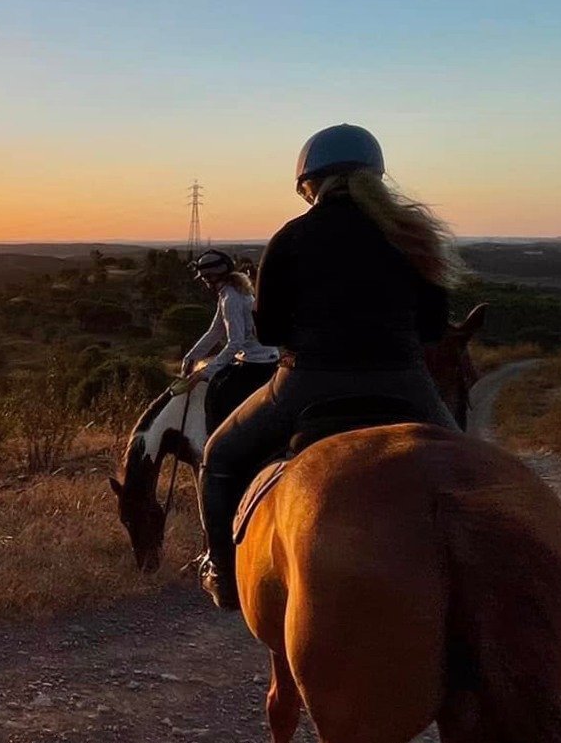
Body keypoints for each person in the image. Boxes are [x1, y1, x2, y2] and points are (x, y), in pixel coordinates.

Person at [196, 126, 461, 611]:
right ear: (376, 178)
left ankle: (223, 572)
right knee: (472, 467)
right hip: (405, 383)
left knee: (221, 457)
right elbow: (432, 328)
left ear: (309, 184)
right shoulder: (413, 236)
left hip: (307, 383)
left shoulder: (292, 237)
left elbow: (272, 331)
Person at [180, 248, 279, 430]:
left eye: (204, 278)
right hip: (256, 358)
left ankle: (216, 440)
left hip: (256, 363)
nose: (204, 282)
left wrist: (206, 372)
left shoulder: (230, 298)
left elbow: (235, 342)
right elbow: (215, 332)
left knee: (218, 397)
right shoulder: (230, 292)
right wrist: (191, 357)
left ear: (212, 277)